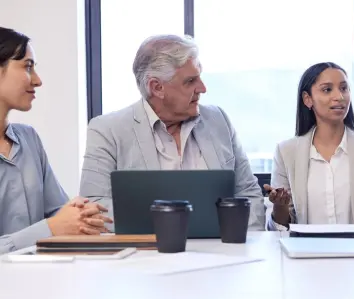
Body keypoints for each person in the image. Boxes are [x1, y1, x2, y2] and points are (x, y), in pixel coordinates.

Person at [79, 34, 265, 231]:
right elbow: (93, 207)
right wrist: (167, 228)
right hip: (145, 256)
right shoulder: (107, 130)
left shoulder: (218, 120)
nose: (202, 88)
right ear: (157, 87)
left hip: (224, 253)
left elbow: (249, 193)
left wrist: (242, 246)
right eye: (190, 81)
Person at [0, 27, 110, 254]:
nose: (38, 81)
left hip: (42, 279)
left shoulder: (28, 139)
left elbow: (58, 213)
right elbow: (53, 225)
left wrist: (80, 214)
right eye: (28, 67)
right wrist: (50, 228)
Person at [264, 62, 354, 230]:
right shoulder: (286, 152)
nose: (339, 97)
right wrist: (279, 206)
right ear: (307, 99)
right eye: (327, 90)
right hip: (306, 253)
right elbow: (278, 230)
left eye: (344, 88)